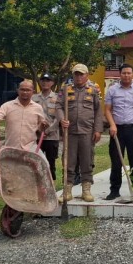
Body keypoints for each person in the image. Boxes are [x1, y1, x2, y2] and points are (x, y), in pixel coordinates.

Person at [55, 64, 103, 203]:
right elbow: (58, 106)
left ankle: (86, 190)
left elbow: (98, 110)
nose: (79, 77)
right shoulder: (65, 89)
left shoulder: (93, 90)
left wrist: (98, 129)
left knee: (87, 161)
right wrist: (61, 119)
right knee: (68, 161)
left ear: (87, 75)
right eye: (76, 74)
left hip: (87, 131)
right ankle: (67, 190)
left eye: (81, 74)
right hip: (69, 132)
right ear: (73, 75)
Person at [104, 63, 133, 200]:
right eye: (124, 73)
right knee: (116, 161)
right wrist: (112, 125)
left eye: (129, 73)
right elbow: (107, 110)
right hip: (117, 131)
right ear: (120, 74)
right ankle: (114, 190)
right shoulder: (112, 90)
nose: (126, 75)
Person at [0, 80, 48, 150]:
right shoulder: (7, 106)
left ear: (33, 92)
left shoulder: (38, 108)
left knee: (42, 158)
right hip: (11, 148)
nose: (25, 92)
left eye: (28, 90)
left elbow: (41, 128)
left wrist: (43, 126)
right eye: (22, 89)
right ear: (18, 91)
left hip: (31, 148)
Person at [31, 73, 59, 183]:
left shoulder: (57, 98)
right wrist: (37, 129)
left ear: (52, 83)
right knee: (36, 162)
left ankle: (51, 185)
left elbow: (59, 118)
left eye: (48, 80)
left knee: (51, 163)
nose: (45, 83)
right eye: (43, 80)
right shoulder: (34, 98)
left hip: (51, 137)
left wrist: (48, 130)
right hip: (37, 137)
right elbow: (31, 116)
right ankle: (38, 185)